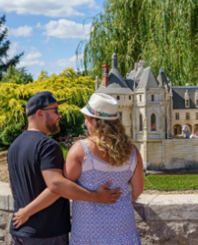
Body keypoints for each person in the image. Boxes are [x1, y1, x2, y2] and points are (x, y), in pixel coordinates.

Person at [13, 93, 144, 245]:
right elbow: (138, 189)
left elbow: (62, 187)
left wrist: (96, 197)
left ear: (93, 120)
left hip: (88, 231)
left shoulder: (81, 150)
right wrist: (119, 202)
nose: (85, 122)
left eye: (87, 118)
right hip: (123, 228)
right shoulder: (133, 151)